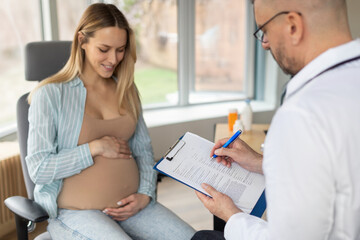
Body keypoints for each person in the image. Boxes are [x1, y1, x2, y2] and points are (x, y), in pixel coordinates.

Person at [192, 0, 360, 239]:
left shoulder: (302, 114)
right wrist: (260, 162)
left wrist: (232, 216)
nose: (264, 44)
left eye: (265, 30)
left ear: (293, 26)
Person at [26, 3, 195, 240]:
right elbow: (39, 169)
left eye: (120, 49)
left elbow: (144, 152)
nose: (113, 59)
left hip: (133, 208)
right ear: (82, 41)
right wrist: (94, 148)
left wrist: (145, 194)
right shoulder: (51, 95)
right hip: (76, 213)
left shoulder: (126, 88)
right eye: (104, 49)